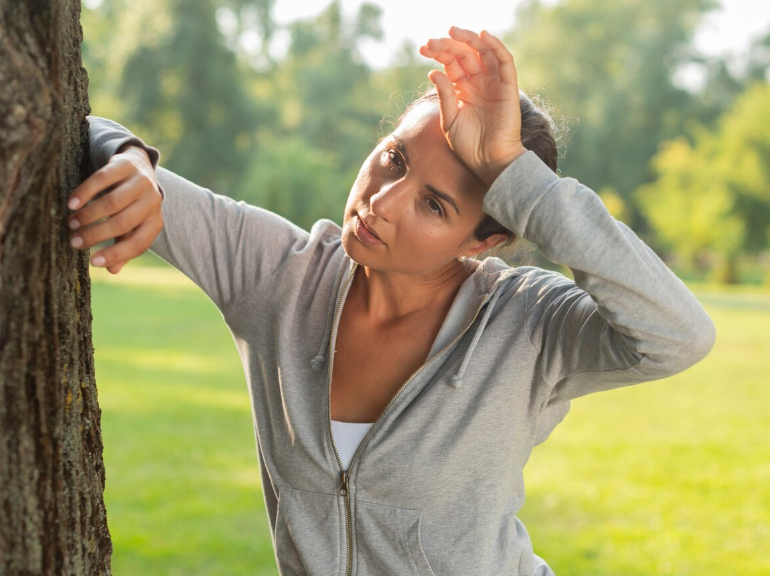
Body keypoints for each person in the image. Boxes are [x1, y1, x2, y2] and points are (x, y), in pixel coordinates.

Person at [67, 27, 715, 576]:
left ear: (483, 240)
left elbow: (678, 335)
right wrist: (131, 160)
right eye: (395, 159)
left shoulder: (529, 324)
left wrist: (515, 173)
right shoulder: (278, 275)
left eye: (434, 204)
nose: (382, 201)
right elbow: (79, 127)